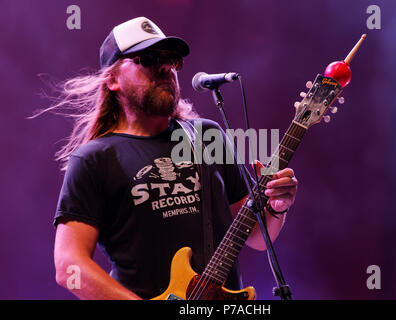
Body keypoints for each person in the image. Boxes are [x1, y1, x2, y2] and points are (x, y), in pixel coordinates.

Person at [52, 17, 298, 300]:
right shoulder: (93, 159)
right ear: (112, 79)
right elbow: (68, 266)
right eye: (149, 58)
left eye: (173, 59)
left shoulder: (207, 136)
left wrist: (277, 207)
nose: (166, 66)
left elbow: (256, 235)